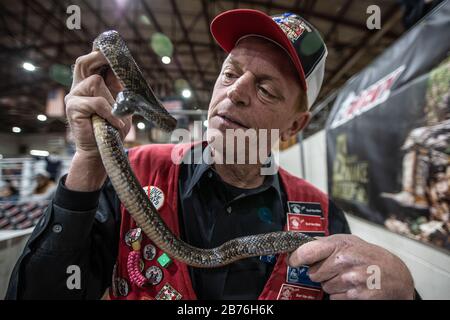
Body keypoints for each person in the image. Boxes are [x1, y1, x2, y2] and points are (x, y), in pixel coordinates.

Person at [6, 9, 418, 300]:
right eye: (230, 73)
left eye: (266, 89)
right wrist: (88, 163)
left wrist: (403, 292)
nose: (234, 93)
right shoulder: (134, 173)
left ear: (295, 126)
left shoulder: (322, 217)